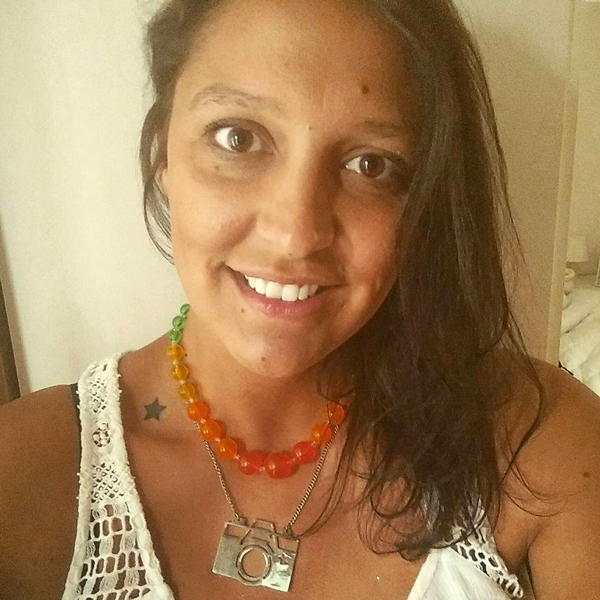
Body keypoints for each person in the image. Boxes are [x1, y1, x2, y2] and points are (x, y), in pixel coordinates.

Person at [1, 0, 599, 598]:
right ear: (163, 155)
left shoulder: (545, 446)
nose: (296, 236)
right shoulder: (24, 476)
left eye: (371, 164)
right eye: (238, 138)